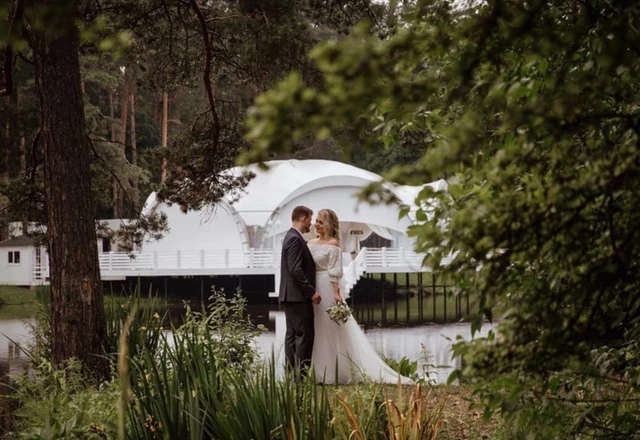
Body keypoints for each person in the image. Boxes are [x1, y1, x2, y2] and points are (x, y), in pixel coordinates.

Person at [308, 208, 413, 385]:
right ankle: (318, 370)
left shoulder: (333, 244)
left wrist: (336, 293)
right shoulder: (310, 242)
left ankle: (338, 370)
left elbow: (335, 271)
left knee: (330, 327)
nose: (316, 225)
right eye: (315, 221)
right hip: (313, 286)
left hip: (326, 285)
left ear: (327, 224)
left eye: (319, 222)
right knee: (316, 328)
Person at [279, 205, 322, 377]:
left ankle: (291, 375)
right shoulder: (295, 239)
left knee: (292, 337)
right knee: (305, 336)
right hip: (297, 297)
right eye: (310, 220)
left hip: (290, 296)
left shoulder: (290, 236)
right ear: (303, 218)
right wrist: (311, 292)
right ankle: (301, 377)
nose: (310, 225)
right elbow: (295, 269)